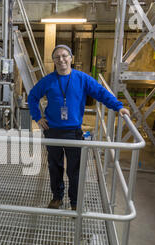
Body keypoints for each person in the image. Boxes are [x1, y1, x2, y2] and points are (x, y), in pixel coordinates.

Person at [27, 44, 130, 210]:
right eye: (57, 57)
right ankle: (57, 197)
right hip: (52, 131)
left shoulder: (82, 79)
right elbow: (32, 96)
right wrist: (37, 117)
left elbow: (101, 93)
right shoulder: (48, 81)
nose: (61, 59)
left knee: (74, 170)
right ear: (53, 61)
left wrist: (118, 107)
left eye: (64, 56)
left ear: (71, 58)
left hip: (73, 132)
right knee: (55, 167)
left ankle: (75, 201)